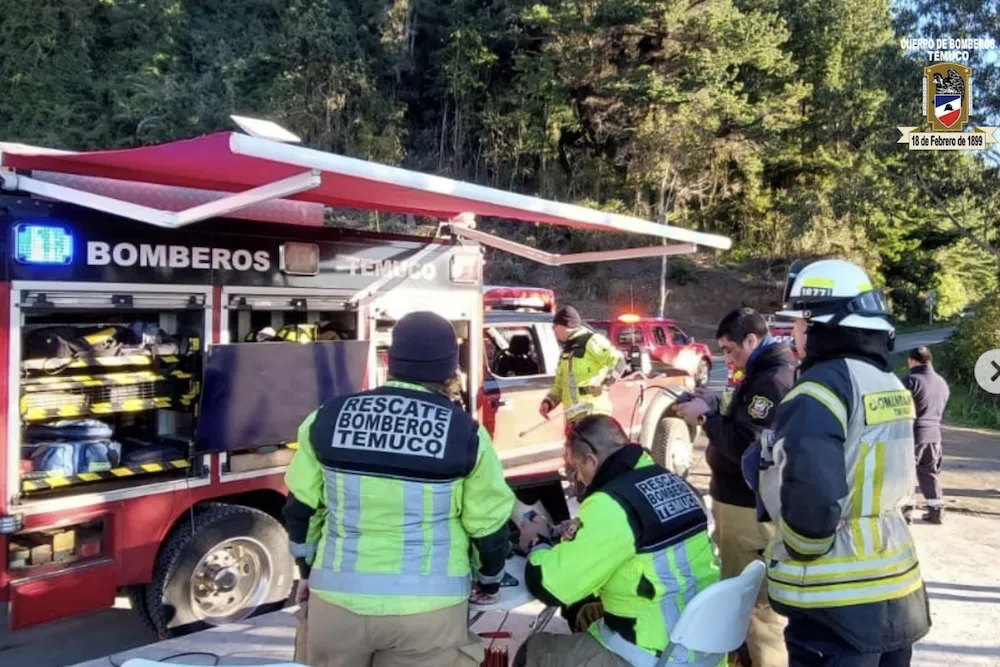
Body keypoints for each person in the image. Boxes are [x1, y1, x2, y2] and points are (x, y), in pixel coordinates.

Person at [282, 311, 516, 667]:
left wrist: (306, 570)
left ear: (389, 361)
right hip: (429, 610)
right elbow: (488, 526)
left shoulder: (327, 418)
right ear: (451, 372)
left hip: (337, 600)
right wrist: (490, 581)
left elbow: (301, 510)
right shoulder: (465, 433)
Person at [754, 259, 930, 667]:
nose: (793, 333)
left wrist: (801, 547)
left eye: (800, 323)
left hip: (835, 601)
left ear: (821, 324)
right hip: (895, 587)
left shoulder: (818, 389)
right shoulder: (887, 382)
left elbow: (813, 491)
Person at [515, 414, 723, 667]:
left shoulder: (611, 504)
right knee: (582, 610)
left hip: (658, 654)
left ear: (591, 461)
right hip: (704, 642)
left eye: (576, 469)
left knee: (536, 651)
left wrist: (538, 542)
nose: (578, 478)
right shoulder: (671, 480)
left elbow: (549, 586)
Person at [673, 308, 796, 667]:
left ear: (752, 340)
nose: (728, 357)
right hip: (737, 506)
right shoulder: (757, 371)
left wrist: (704, 418)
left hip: (748, 510)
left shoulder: (771, 381)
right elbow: (735, 407)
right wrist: (709, 401)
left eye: (731, 349)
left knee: (756, 611)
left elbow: (748, 447)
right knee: (737, 602)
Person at [539, 306, 626, 423]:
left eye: (555, 326)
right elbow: (559, 384)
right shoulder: (566, 351)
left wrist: (605, 384)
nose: (554, 330)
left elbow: (618, 360)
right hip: (574, 418)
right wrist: (549, 402)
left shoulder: (591, 341)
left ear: (565, 325)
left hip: (594, 415)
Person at [902, 345, 951, 524]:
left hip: (913, 434)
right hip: (934, 435)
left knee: (904, 473)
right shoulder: (941, 382)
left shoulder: (910, 381)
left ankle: (905, 512)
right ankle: (936, 510)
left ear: (911, 360)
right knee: (929, 473)